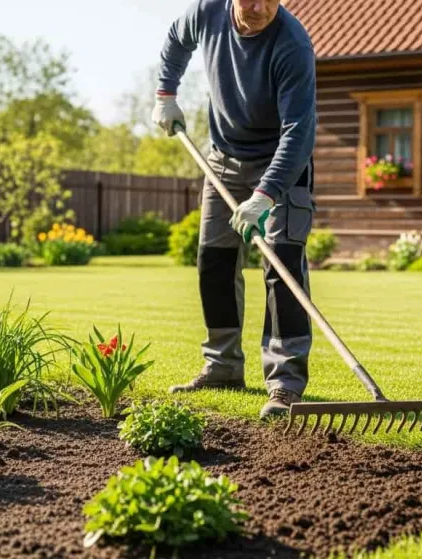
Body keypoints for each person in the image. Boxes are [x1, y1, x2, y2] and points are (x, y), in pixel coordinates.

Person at [152, 0, 316, 419]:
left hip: (281, 163)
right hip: (223, 159)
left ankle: (285, 383)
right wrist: (166, 94)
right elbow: (176, 40)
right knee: (215, 261)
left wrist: (264, 195)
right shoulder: (206, 13)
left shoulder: (292, 44)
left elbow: (298, 132)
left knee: (282, 265)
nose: (260, 8)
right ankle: (222, 366)